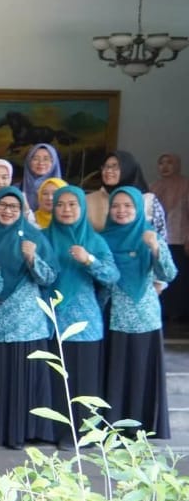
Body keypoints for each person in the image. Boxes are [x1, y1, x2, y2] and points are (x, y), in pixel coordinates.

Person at [43, 186, 119, 449]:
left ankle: (85, 434)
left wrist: (89, 260)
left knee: (85, 380)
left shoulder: (94, 241)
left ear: (82, 208)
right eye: (60, 204)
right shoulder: (45, 238)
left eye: (72, 204)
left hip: (86, 322)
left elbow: (112, 276)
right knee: (57, 379)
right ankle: (57, 432)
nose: (66, 209)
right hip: (53, 320)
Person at [0, 186, 58, 449]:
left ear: (22, 210)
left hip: (27, 322)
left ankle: (26, 432)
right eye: (2, 205)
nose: (7, 211)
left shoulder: (33, 236)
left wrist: (32, 258)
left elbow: (49, 277)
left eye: (14, 207)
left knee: (24, 377)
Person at [101, 186, 177, 439]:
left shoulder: (150, 235)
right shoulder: (103, 238)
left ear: (138, 209)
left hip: (144, 317)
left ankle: (142, 427)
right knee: (116, 372)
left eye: (128, 206)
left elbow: (169, 274)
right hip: (112, 316)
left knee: (141, 372)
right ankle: (114, 426)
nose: (121, 210)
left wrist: (155, 248)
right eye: (116, 206)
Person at [86, 151, 167, 239]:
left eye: (115, 166)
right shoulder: (89, 200)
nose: (108, 170)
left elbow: (161, 237)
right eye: (105, 166)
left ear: (128, 169)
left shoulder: (148, 200)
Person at [152, 153, 188, 326]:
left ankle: (179, 313)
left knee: (179, 278)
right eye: (161, 162)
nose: (165, 166)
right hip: (158, 241)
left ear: (177, 165)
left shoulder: (186, 185)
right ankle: (164, 312)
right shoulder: (154, 187)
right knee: (160, 275)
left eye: (170, 162)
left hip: (180, 239)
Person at [22, 143, 61, 212]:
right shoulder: (17, 189)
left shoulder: (64, 191)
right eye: (35, 159)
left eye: (46, 159)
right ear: (29, 161)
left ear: (54, 162)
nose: (41, 163)